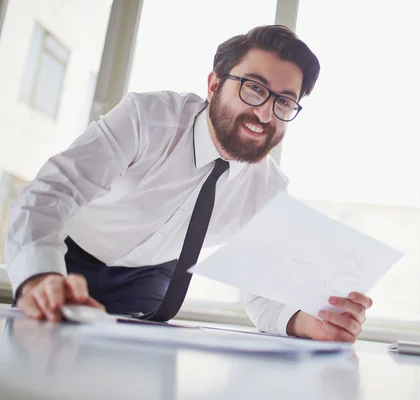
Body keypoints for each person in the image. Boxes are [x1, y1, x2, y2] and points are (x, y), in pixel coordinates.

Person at [5, 25, 373, 343]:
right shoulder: (146, 120)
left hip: (148, 280)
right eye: (254, 89)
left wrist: (312, 323)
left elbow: (266, 295)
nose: (264, 113)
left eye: (283, 102)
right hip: (67, 258)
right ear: (214, 85)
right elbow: (52, 193)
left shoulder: (268, 190)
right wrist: (40, 276)